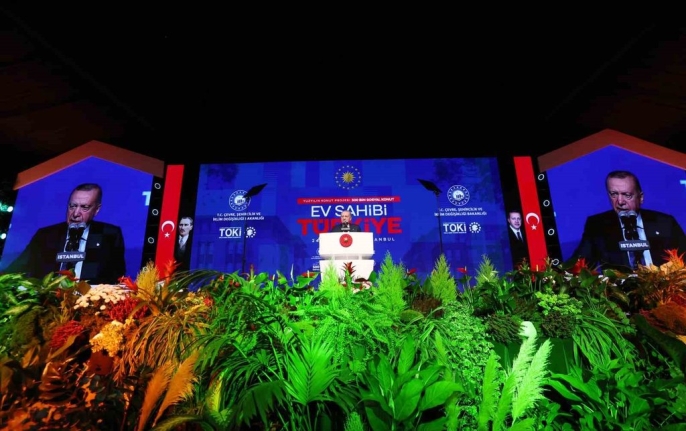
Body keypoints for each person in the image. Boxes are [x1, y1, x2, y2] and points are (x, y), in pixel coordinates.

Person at [4, 183, 126, 284]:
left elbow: (117, 279)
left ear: (97, 209)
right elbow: (15, 270)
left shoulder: (110, 236)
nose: (75, 214)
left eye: (84, 207)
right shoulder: (45, 235)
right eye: (72, 206)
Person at [570, 170, 686, 271]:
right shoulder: (597, 226)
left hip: (663, 287)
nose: (620, 201)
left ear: (641, 197)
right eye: (614, 194)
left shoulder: (665, 223)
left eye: (627, 195)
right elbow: (578, 267)